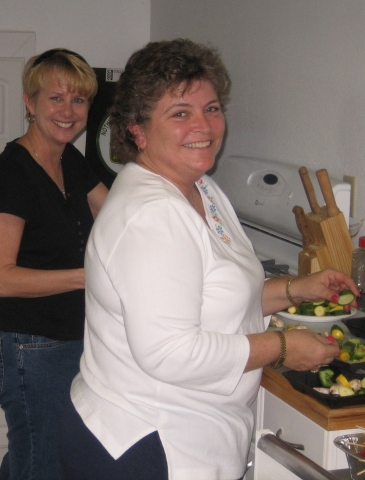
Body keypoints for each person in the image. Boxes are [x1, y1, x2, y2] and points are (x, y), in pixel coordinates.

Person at [59, 39, 358, 480]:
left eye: (212, 108)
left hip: (187, 434)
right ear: (137, 130)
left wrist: (296, 290)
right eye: (180, 113)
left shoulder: (198, 187)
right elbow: (170, 353)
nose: (204, 125)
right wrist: (281, 348)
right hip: (149, 443)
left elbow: (217, 297)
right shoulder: (151, 216)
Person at [0, 48, 108, 480]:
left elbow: (117, 214)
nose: (68, 111)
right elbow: (1, 280)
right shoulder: (9, 175)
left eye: (79, 100)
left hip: (71, 339)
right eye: (56, 98)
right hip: (29, 347)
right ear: (29, 103)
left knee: (34, 453)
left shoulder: (69, 158)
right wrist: (92, 277)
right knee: (43, 463)